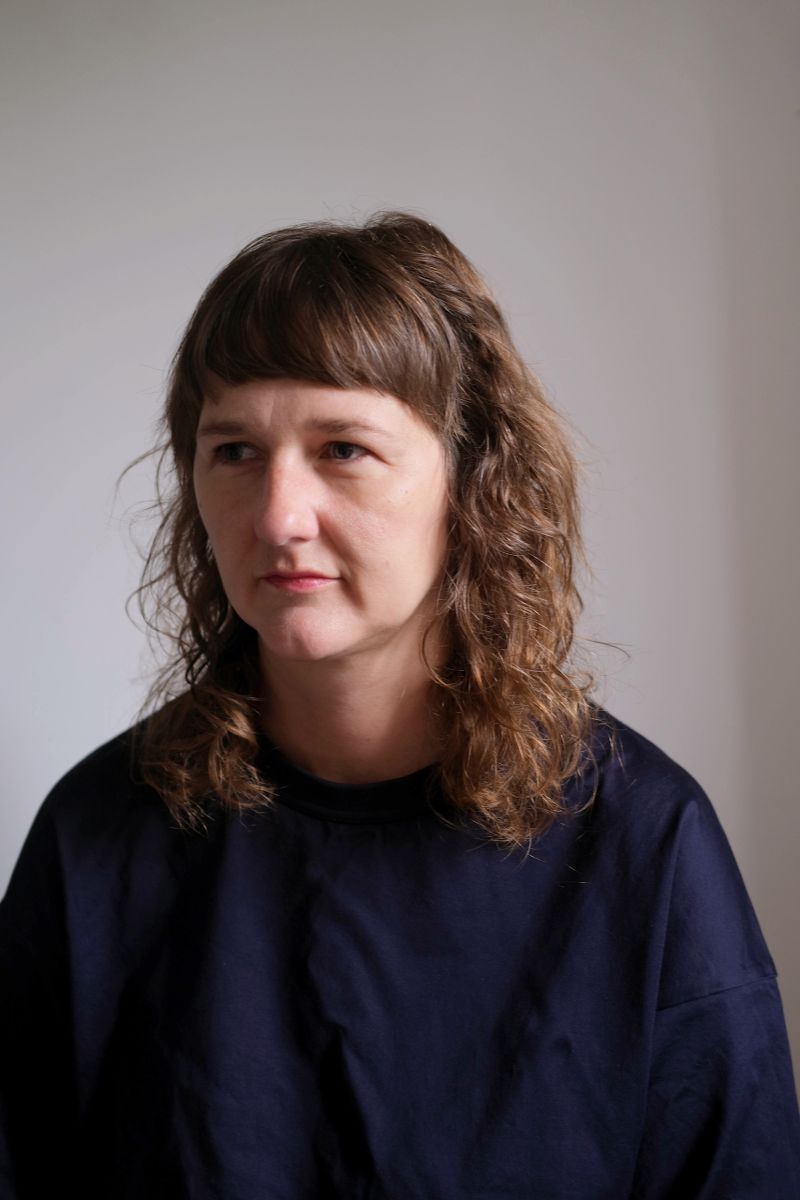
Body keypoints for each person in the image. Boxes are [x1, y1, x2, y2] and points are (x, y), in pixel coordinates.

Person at [1, 212, 799, 1199]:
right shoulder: (96, 838)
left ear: (469, 484)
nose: (277, 516)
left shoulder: (642, 842)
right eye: (234, 451)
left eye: (341, 448)